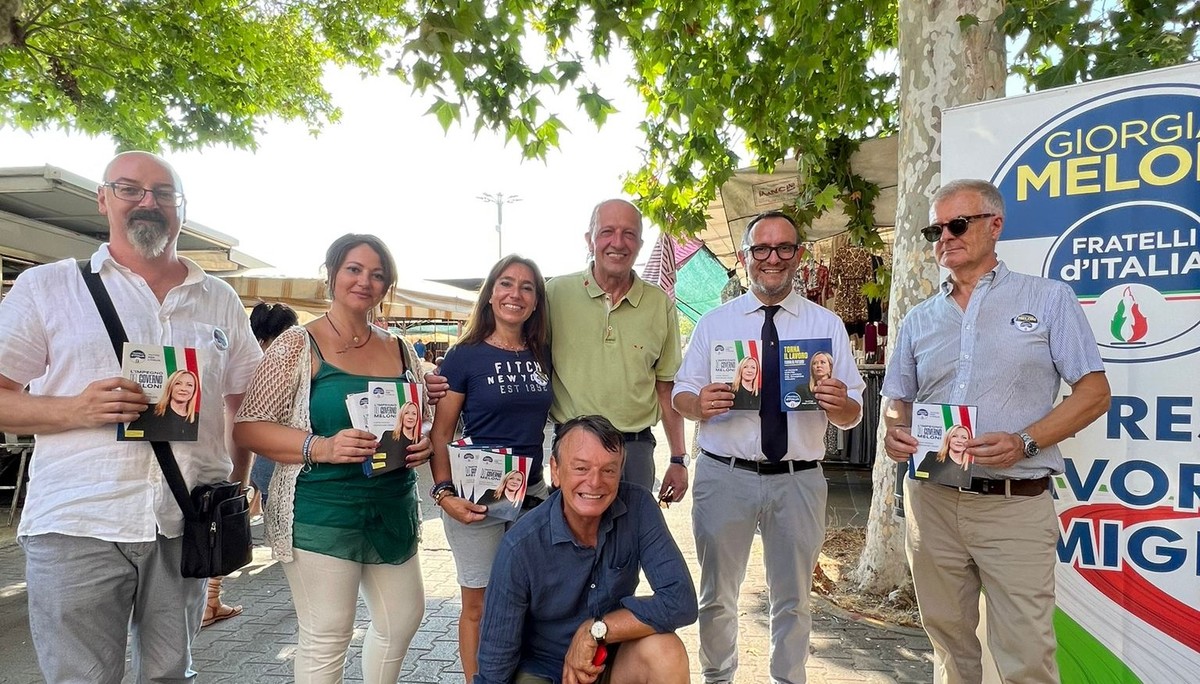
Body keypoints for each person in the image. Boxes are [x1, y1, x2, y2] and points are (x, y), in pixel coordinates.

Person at [0, 151, 262, 682]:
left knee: (169, 673)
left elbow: (244, 402)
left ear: (181, 210)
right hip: (79, 521)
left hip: (183, 520)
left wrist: (236, 487)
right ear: (104, 200)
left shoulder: (219, 299)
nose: (149, 202)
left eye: (164, 193)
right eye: (130, 189)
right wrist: (74, 408)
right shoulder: (48, 287)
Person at [881, 178, 1110, 683]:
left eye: (957, 225)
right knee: (949, 646)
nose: (945, 237)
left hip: (1015, 504)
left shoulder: (1048, 299)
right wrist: (896, 431)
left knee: (1026, 656)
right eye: (934, 229)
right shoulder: (920, 319)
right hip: (933, 501)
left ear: (995, 225)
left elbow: (1095, 394)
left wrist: (1024, 441)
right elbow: (896, 399)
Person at [672, 210, 865, 684]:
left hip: (799, 480)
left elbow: (854, 411)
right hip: (725, 475)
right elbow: (680, 394)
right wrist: (700, 404)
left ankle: (788, 680)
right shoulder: (715, 325)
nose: (772, 258)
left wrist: (840, 403)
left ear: (799, 255)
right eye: (761, 249)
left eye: (783, 248)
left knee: (795, 598)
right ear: (745, 257)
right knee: (717, 595)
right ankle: (718, 677)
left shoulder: (827, 325)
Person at [233, 234, 431, 684]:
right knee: (328, 634)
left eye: (377, 274)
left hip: (391, 506)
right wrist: (319, 446)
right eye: (354, 269)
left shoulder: (401, 349)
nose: (366, 281)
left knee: (402, 618)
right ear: (332, 274)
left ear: (387, 285)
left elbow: (416, 417)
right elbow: (247, 426)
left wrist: (422, 443)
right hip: (321, 509)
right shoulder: (297, 345)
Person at [429, 200, 688, 502]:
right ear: (589, 239)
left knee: (631, 542)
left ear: (640, 243)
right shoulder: (555, 294)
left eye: (629, 234)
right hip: (571, 446)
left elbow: (665, 386)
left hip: (634, 448)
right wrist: (442, 382)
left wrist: (678, 458)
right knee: (569, 545)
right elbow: (507, 344)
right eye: (607, 232)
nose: (618, 242)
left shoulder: (660, 304)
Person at [474, 415, 697, 684]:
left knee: (666, 650)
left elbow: (681, 601)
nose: (595, 482)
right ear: (555, 470)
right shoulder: (521, 545)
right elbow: (496, 657)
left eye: (608, 470)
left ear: (620, 471)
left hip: (611, 661)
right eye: (581, 468)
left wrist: (595, 630)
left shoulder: (638, 507)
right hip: (546, 670)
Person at [427, 254, 553, 682]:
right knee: (478, 604)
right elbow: (440, 432)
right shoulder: (464, 356)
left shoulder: (542, 354)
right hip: (475, 496)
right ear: (490, 294)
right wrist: (444, 495)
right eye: (505, 283)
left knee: (528, 601)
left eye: (526, 287)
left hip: (531, 495)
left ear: (536, 301)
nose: (514, 294)